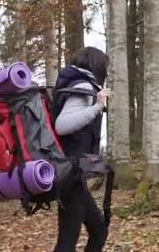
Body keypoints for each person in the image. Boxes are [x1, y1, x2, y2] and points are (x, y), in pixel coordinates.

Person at [53, 46, 111, 252]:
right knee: (67, 242)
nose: (106, 72)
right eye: (105, 67)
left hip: (73, 175)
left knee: (99, 229)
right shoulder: (84, 87)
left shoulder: (81, 84)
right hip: (70, 175)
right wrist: (97, 107)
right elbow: (62, 125)